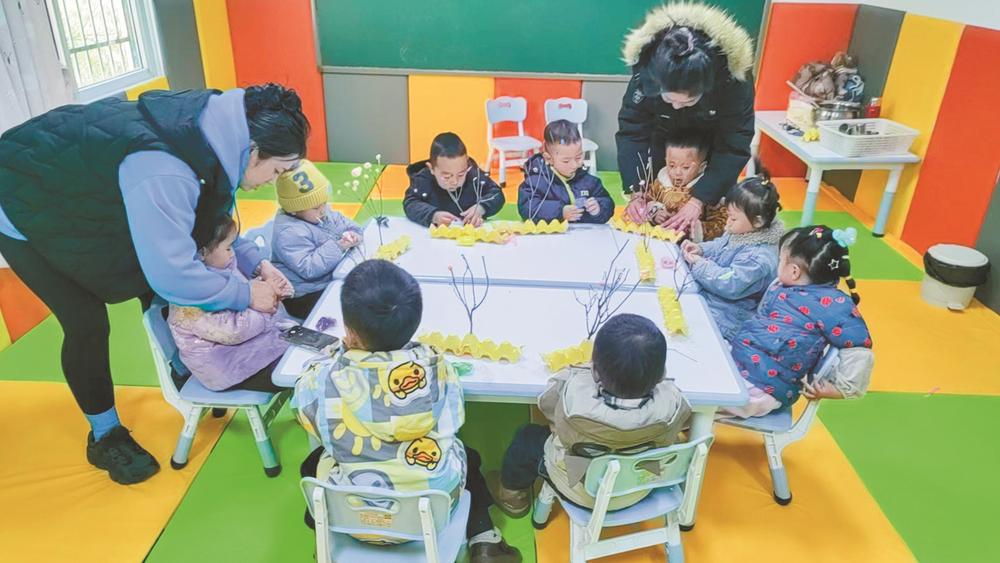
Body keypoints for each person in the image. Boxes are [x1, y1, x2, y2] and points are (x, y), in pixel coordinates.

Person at [0, 83, 307, 484]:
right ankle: (105, 435)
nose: (274, 180)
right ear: (253, 152)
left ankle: (188, 367)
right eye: (277, 170)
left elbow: (215, 226)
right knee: (86, 321)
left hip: (84, 190)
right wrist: (246, 293)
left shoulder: (224, 138)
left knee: (164, 277)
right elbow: (172, 275)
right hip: (22, 197)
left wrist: (258, 264)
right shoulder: (165, 170)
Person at [293, 260, 521, 562]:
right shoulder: (440, 371)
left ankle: (324, 538)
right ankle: (484, 535)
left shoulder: (324, 380)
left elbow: (303, 413)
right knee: (466, 453)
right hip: (431, 515)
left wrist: (342, 355)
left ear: (350, 333)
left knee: (313, 463)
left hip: (357, 521)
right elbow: (456, 417)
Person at [492, 314, 690, 515]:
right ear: (662, 375)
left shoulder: (574, 398)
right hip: (636, 488)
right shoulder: (672, 405)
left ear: (594, 371)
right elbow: (682, 420)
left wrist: (583, 371)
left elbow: (547, 405)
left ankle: (511, 494)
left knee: (527, 437)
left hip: (578, 488)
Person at [617, 3, 755, 236]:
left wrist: (700, 199)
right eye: (668, 99)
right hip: (665, 145)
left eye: (687, 101)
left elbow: (734, 144)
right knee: (659, 209)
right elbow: (632, 131)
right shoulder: (647, 70)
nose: (676, 106)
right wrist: (637, 192)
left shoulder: (732, 80)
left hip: (712, 151)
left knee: (708, 222)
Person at [725, 226, 875, 418]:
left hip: (763, 389)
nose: (778, 264)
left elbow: (860, 348)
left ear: (794, 271)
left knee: (698, 396)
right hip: (740, 361)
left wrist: (841, 389)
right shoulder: (784, 286)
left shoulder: (835, 306)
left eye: (781, 260)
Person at [168, 214, 289, 392]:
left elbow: (246, 297)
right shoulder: (191, 299)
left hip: (251, 350)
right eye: (228, 248)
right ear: (203, 253)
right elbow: (234, 332)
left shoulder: (223, 266)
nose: (233, 252)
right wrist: (266, 305)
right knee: (297, 374)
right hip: (228, 369)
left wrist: (269, 293)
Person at [680, 167, 784, 340]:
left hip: (729, 315)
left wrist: (700, 265)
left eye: (733, 218)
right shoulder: (745, 228)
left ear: (758, 221)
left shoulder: (758, 258)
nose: (728, 222)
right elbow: (721, 244)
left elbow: (729, 282)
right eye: (728, 215)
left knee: (689, 324)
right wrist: (701, 249)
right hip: (714, 293)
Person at [271, 159, 362, 319]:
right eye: (315, 207)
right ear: (293, 210)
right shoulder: (289, 233)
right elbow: (309, 269)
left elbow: (345, 224)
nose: (323, 210)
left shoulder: (320, 212)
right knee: (354, 303)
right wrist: (338, 246)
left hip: (327, 279)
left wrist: (353, 233)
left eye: (324, 203)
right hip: (303, 296)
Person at [629, 128, 727, 241]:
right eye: (671, 165)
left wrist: (694, 228)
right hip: (659, 240)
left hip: (690, 246)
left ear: (701, 167)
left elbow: (721, 223)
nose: (677, 172)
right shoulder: (661, 182)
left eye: (685, 167)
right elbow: (648, 201)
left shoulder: (709, 190)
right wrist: (655, 214)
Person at [517, 120, 615, 224]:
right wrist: (560, 212)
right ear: (548, 158)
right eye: (566, 161)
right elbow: (528, 208)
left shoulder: (589, 181)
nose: (574, 165)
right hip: (553, 234)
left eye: (578, 157)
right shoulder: (536, 182)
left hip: (583, 233)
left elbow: (607, 203)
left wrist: (598, 208)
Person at [403, 132, 505, 227]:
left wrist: (481, 208)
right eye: (447, 176)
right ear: (431, 169)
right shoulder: (424, 180)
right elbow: (410, 203)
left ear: (466, 163)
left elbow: (497, 193)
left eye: (461, 174)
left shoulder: (473, 174)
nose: (455, 181)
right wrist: (433, 215)